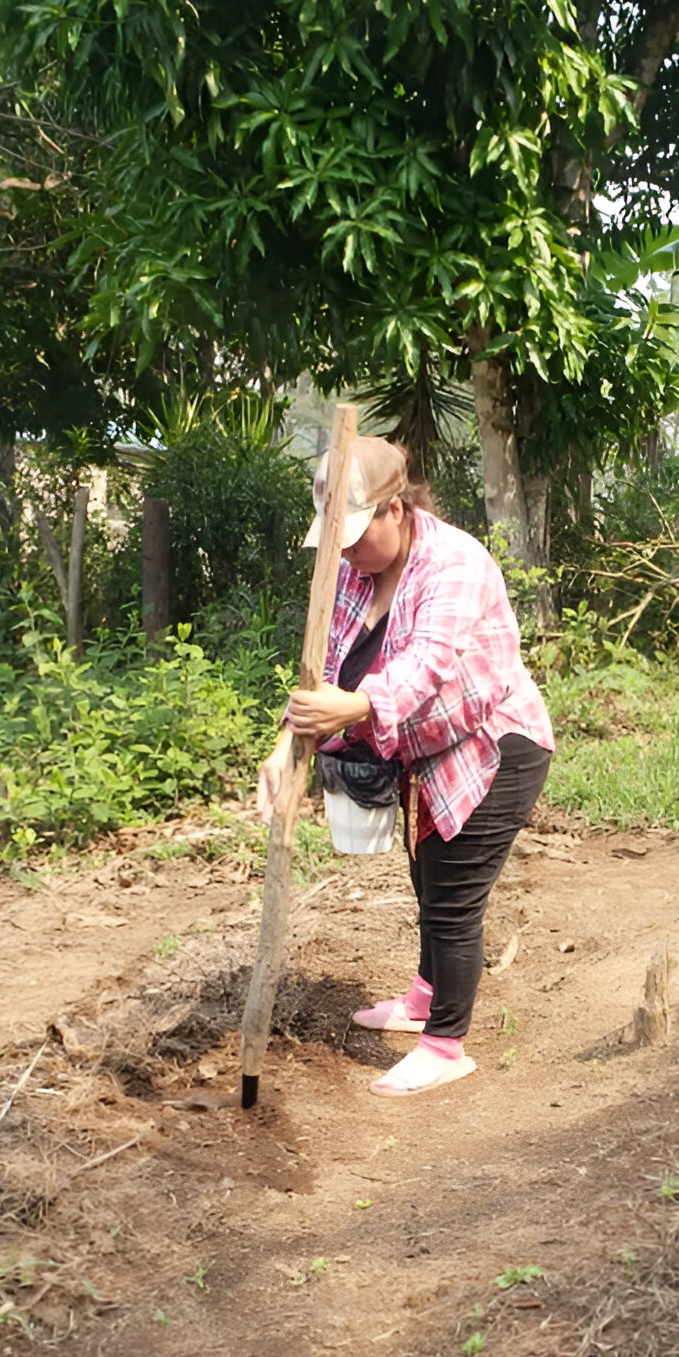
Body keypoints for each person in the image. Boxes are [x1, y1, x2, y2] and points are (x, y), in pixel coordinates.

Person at [255, 436, 554, 1097]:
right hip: (426, 753)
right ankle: (424, 995)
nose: (347, 552)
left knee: (452, 901)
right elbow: (327, 668)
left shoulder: (453, 564)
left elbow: (426, 669)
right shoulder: (358, 575)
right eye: (338, 538)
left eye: (357, 535)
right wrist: (287, 745)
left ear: (396, 509)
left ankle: (446, 1044)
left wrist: (356, 708)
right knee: (426, 881)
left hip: (492, 747)